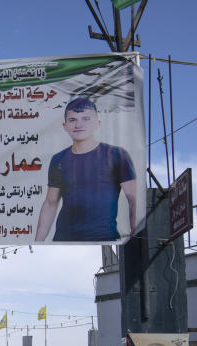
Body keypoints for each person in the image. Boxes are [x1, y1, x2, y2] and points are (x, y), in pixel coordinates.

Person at [34, 97, 137, 242]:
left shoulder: (116, 154)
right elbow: (50, 203)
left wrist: (135, 236)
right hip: (64, 240)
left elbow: (134, 199)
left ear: (97, 123)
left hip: (104, 238)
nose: (78, 124)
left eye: (86, 119)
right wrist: (38, 242)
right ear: (65, 126)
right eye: (73, 120)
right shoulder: (58, 159)